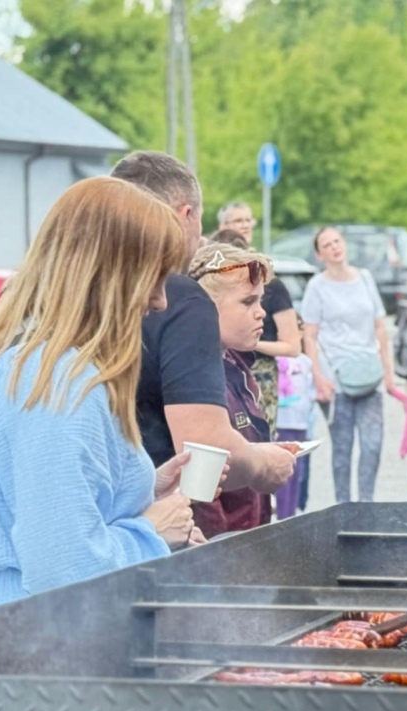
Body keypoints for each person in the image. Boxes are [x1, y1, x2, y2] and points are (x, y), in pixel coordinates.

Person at [0, 177, 200, 619]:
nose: (159, 302)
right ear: (108, 277)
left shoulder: (11, 354)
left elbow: (13, 492)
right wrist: (151, 532)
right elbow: (64, 566)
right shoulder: (58, 385)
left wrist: (133, 487)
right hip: (34, 637)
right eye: (152, 279)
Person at [111, 152, 295, 495]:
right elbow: (204, 447)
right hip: (167, 520)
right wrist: (264, 464)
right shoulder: (183, 298)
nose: (158, 301)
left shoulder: (83, 294)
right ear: (187, 214)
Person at [186, 242, 283, 535]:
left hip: (248, 536)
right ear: (206, 307)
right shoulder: (192, 377)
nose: (261, 313)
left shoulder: (238, 368)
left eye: (261, 301)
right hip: (216, 549)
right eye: (247, 302)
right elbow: (200, 488)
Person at [302, 227, 397, 503]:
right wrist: (318, 376)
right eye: (327, 244)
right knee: (342, 451)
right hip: (337, 379)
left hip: (369, 375)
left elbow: (380, 327)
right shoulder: (317, 287)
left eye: (337, 241)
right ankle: (343, 509)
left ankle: (366, 505)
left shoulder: (365, 279)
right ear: (320, 255)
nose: (334, 247)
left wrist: (388, 372)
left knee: (372, 445)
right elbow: (309, 334)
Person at [214, 227, 302, 438]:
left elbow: (292, 346)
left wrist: (251, 343)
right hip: (224, 367)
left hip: (260, 374)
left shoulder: (272, 287)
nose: (259, 311)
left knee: (259, 439)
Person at [275, 316, 315, 519]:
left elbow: (311, 392)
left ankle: (293, 513)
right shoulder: (274, 359)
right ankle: (282, 514)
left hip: (301, 423)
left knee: (298, 472)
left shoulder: (306, 362)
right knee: (283, 473)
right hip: (281, 423)